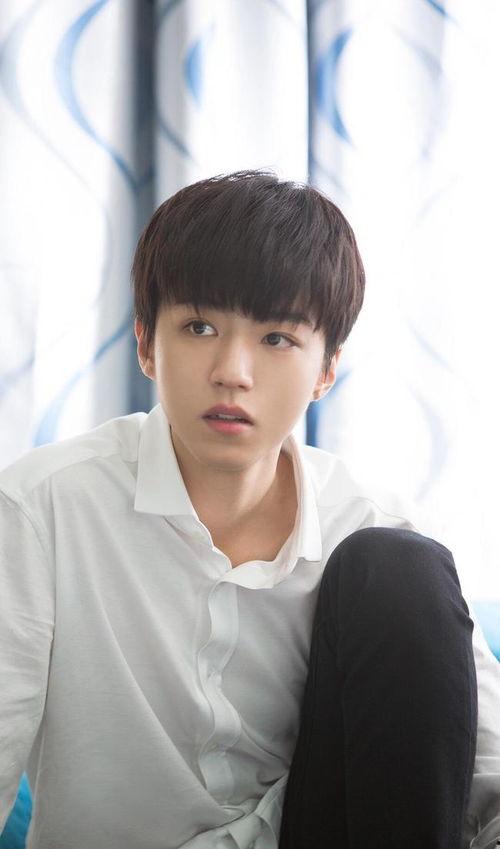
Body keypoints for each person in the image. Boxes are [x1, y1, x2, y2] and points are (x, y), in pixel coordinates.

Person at [0, 169, 499, 849]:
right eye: (199, 326)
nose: (232, 372)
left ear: (327, 368)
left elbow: (485, 777)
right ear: (146, 343)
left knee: (399, 565)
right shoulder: (41, 507)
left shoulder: (374, 521)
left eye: (277, 339)